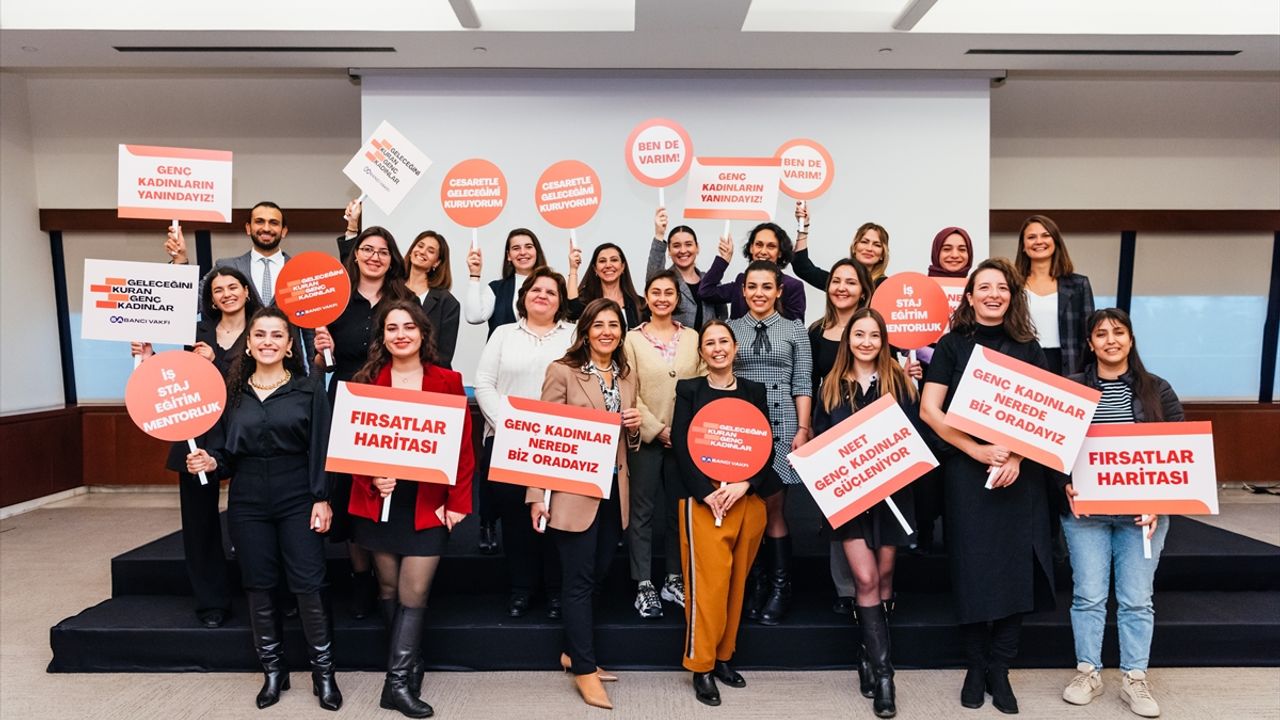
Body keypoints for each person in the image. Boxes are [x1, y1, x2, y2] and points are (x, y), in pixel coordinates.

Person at [185, 307, 341, 711]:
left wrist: (322, 497)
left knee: (309, 583)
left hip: (299, 495)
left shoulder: (309, 389)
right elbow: (225, 454)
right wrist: (210, 461)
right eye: (260, 335)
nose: (267, 341)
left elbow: (323, 448)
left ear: (290, 346)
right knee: (258, 583)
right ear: (249, 344)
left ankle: (324, 674)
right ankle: (273, 671)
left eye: (276, 335)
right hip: (248, 498)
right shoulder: (231, 394)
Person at [919, 258, 1055, 714]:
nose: (993, 294)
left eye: (1002, 288)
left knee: (1016, 572)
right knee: (973, 569)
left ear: (1012, 296)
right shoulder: (952, 345)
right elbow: (930, 411)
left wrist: (1016, 456)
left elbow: (1045, 417)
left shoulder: (1029, 347)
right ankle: (975, 666)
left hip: (1019, 475)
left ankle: (1001, 667)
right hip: (966, 472)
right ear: (970, 296)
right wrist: (976, 451)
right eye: (985, 287)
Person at [347, 300, 474, 718]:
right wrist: (370, 478)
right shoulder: (366, 381)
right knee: (387, 589)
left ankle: (396, 684)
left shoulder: (447, 381)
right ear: (382, 337)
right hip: (381, 501)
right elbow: (352, 446)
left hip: (428, 504)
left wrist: (457, 502)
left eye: (408, 327)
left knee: (413, 591)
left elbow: (463, 448)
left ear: (422, 333)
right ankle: (408, 666)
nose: (400, 334)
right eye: (391, 328)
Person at [1059, 308, 1183, 719]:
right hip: (1086, 514)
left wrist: (1159, 502)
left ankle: (1134, 677)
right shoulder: (1071, 388)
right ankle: (1088, 673)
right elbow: (1053, 451)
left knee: (1136, 600)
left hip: (1143, 515)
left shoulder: (1157, 389)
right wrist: (1064, 484)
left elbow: (1179, 451)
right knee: (1088, 596)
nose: (1110, 340)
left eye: (1118, 332)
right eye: (1101, 334)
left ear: (1130, 339)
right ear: (1090, 344)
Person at [131, 266, 262, 629]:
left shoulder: (263, 328)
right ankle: (211, 603)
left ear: (246, 291)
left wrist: (215, 364)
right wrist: (148, 357)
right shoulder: (197, 332)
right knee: (199, 525)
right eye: (218, 290)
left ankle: (269, 597)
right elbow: (178, 379)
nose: (226, 294)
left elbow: (262, 378)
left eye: (233, 287)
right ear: (212, 299)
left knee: (256, 521)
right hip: (199, 434)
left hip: (248, 432)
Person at [529, 298, 642, 710]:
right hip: (573, 493)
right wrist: (536, 496)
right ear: (586, 331)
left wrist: (634, 428)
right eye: (599, 325)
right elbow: (543, 437)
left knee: (597, 575)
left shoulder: (626, 376)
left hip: (614, 490)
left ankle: (572, 652)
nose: (607, 332)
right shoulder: (562, 371)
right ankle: (584, 669)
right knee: (577, 582)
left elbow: (628, 443)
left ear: (622, 333)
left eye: (614, 325)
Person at [815, 308, 927, 719]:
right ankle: (885, 678)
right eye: (859, 334)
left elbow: (915, 438)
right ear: (848, 341)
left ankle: (867, 653)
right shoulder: (830, 387)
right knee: (863, 579)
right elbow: (823, 443)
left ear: (884, 341)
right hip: (850, 499)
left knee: (883, 578)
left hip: (893, 495)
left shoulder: (901, 382)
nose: (866, 342)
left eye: (874, 335)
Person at [669, 320, 780, 707]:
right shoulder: (690, 390)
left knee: (735, 586)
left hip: (744, 498)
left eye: (723, 342)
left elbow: (764, 445)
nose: (717, 348)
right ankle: (700, 665)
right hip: (705, 500)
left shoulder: (753, 391)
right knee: (708, 587)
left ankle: (722, 657)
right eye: (710, 343)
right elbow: (681, 444)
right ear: (702, 352)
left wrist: (745, 484)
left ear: (735, 348)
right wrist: (706, 492)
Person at [313, 225, 414, 620]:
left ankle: (390, 575)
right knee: (350, 493)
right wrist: (322, 352)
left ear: (392, 259)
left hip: (391, 402)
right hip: (344, 402)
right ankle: (361, 579)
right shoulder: (335, 300)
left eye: (383, 251)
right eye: (367, 249)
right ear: (354, 255)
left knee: (387, 488)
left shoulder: (404, 300)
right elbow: (323, 366)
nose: (375, 257)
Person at [473, 268, 575, 619]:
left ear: (560, 301)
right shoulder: (503, 334)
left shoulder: (574, 335)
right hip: (508, 441)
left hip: (559, 443)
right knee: (516, 518)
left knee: (557, 517)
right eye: (536, 290)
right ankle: (521, 589)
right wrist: (510, 426)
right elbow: (484, 382)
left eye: (551, 291)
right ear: (524, 296)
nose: (542, 295)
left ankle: (556, 592)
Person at [725, 261, 813, 625]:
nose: (758, 293)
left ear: (779, 291)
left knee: (774, 509)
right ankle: (754, 584)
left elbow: (803, 382)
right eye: (752, 286)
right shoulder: (729, 328)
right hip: (742, 428)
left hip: (782, 425)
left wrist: (803, 429)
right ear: (743, 291)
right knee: (746, 510)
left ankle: (780, 588)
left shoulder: (795, 330)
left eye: (766, 287)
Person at [622, 270, 703, 619]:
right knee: (642, 512)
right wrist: (657, 429)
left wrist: (681, 431)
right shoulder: (631, 339)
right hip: (646, 439)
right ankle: (643, 583)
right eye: (656, 292)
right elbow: (629, 390)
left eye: (669, 292)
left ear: (677, 298)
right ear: (646, 297)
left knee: (678, 512)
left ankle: (673, 579)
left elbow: (701, 385)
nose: (662, 298)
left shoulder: (692, 337)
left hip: (684, 441)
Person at [806, 259, 874, 617]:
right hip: (831, 426)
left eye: (850, 282)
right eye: (836, 281)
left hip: (872, 428)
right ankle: (846, 589)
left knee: (874, 508)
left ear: (863, 290)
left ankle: (874, 584)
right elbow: (808, 381)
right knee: (840, 507)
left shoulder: (872, 327)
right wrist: (809, 428)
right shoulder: (816, 330)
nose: (842, 288)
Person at [165, 200, 312, 363]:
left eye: (274, 223)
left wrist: (315, 376)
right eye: (259, 221)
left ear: (284, 231)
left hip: (288, 368)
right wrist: (180, 261)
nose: (266, 228)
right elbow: (189, 305)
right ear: (248, 228)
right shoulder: (226, 267)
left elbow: (311, 332)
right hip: (236, 367)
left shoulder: (302, 273)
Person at [913, 226, 975, 553]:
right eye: (947, 248)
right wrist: (912, 358)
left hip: (967, 388)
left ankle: (957, 534)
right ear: (936, 252)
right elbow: (906, 334)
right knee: (926, 466)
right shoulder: (920, 291)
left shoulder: (978, 291)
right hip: (927, 386)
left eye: (961, 248)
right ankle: (924, 531)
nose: (954, 254)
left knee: (960, 465)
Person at [1015, 215, 1094, 377]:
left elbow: (1088, 335)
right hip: (1023, 365)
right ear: (1023, 245)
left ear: (1056, 242)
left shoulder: (1079, 284)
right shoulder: (1012, 285)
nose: (1039, 241)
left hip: (1069, 368)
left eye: (1045, 235)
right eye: (1031, 237)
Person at [698, 223, 807, 321]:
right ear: (751, 248)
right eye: (759, 244)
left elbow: (796, 327)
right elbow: (706, 292)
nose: (763, 251)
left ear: (780, 253)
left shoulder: (793, 286)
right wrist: (724, 259)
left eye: (771, 246)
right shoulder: (741, 280)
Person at [645, 207, 727, 330]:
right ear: (669, 251)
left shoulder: (710, 279)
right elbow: (652, 277)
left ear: (697, 248)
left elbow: (723, 315)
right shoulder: (666, 279)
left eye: (688, 244)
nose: (683, 250)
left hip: (707, 341)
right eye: (676, 246)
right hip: (674, 341)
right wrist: (659, 235)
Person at [464, 228, 550, 337]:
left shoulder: (552, 287)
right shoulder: (496, 288)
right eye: (516, 248)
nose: (523, 252)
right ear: (509, 255)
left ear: (536, 252)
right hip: (502, 348)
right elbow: (473, 317)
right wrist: (474, 274)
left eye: (528, 247)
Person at [792, 203, 891, 292]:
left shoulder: (886, 286)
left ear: (883, 254)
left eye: (877, 245)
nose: (869, 248)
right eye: (864, 242)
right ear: (854, 247)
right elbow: (802, 267)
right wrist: (804, 225)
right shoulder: (839, 280)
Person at [404, 230, 461, 370]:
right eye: (420, 246)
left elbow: (443, 355)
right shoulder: (391, 290)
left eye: (430, 251)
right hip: (390, 373)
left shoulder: (448, 302)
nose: (422, 252)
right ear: (411, 251)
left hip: (429, 374)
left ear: (437, 262)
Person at [566, 242, 645, 327]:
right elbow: (572, 312)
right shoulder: (586, 301)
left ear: (622, 266)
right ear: (595, 269)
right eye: (602, 261)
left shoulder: (640, 304)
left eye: (614, 260)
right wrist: (573, 269)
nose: (608, 265)